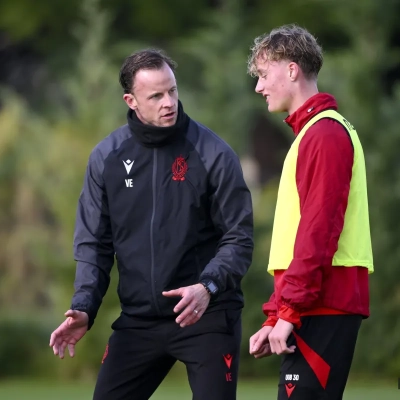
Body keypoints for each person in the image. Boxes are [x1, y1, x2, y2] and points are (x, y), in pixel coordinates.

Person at [49, 48, 254, 400]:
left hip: (205, 312)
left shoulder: (213, 153)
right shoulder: (106, 158)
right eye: (156, 96)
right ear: (131, 101)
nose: (169, 102)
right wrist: (84, 306)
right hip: (139, 320)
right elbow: (94, 244)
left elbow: (239, 237)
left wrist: (207, 287)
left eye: (172, 91)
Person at [247, 24, 374, 400]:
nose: (259, 87)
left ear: (291, 70)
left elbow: (318, 231)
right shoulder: (314, 133)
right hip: (312, 304)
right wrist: (276, 314)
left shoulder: (324, 134)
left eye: (263, 74)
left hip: (323, 304)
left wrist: (288, 311)